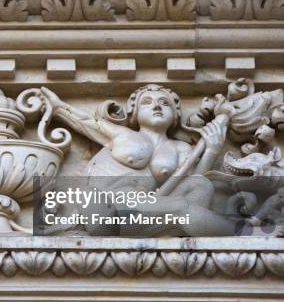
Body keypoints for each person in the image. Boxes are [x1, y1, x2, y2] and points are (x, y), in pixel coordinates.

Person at [39, 84, 245, 236]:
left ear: (176, 115)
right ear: (134, 113)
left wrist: (212, 149)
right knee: (182, 209)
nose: (157, 106)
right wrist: (58, 106)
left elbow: (194, 186)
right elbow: (85, 122)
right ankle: (245, 233)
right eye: (147, 102)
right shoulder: (122, 135)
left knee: (200, 185)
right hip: (104, 206)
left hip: (140, 210)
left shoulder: (181, 148)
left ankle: (181, 232)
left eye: (164, 103)